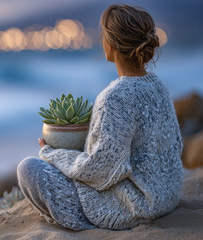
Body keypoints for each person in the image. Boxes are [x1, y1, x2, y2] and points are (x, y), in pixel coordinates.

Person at [16, 4, 183, 231]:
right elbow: (174, 146)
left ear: (112, 43)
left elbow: (100, 170)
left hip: (134, 206)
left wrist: (53, 154)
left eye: (103, 34)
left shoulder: (115, 97)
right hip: (165, 197)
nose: (101, 40)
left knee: (28, 169)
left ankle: (84, 224)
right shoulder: (159, 87)